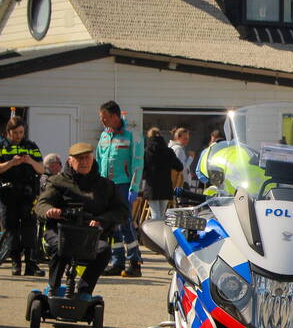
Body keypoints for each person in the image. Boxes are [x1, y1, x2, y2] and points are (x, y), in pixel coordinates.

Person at [35, 143, 128, 298]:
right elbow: (41, 205)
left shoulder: (106, 185)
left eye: (87, 158)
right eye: (79, 159)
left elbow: (122, 211)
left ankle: (84, 291)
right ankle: (54, 287)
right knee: (61, 246)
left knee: (104, 250)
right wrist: (50, 211)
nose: (84, 162)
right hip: (61, 231)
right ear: (70, 161)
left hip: (91, 235)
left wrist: (102, 220)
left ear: (92, 159)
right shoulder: (57, 182)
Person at [96, 101, 144, 277]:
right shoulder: (104, 136)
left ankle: (135, 262)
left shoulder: (131, 135)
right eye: (101, 118)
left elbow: (138, 163)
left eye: (105, 118)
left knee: (125, 223)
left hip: (123, 185)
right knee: (112, 225)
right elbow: (99, 161)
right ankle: (117, 261)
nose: (103, 122)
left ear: (115, 116)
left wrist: (134, 188)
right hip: (106, 186)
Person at [0, 116, 45, 276]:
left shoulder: (31, 146)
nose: (18, 136)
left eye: (21, 132)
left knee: (29, 228)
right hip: (8, 193)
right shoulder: (1, 146)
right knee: (11, 229)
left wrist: (30, 161)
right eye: (15, 132)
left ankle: (31, 263)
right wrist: (10, 163)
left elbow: (41, 169)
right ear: (8, 132)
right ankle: (15, 262)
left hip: (28, 194)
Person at [142, 127, 183, 221]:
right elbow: (179, 167)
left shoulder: (146, 152)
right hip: (165, 186)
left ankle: (155, 234)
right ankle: (162, 233)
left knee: (155, 215)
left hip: (151, 187)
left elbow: (142, 170)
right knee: (162, 214)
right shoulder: (169, 151)